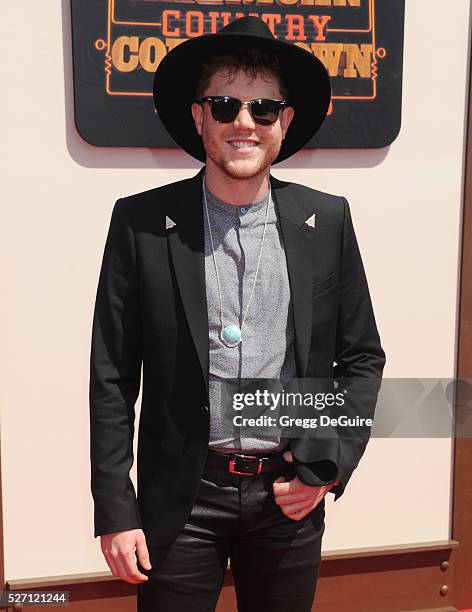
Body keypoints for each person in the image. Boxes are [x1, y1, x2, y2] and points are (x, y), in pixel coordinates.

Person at [89, 15, 386, 612]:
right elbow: (112, 377)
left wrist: (324, 466)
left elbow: (360, 358)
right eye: (225, 106)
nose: (244, 123)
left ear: (286, 122)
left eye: (263, 109)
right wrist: (116, 510)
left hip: (287, 499)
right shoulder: (142, 222)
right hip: (182, 500)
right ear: (200, 118)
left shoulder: (327, 221)